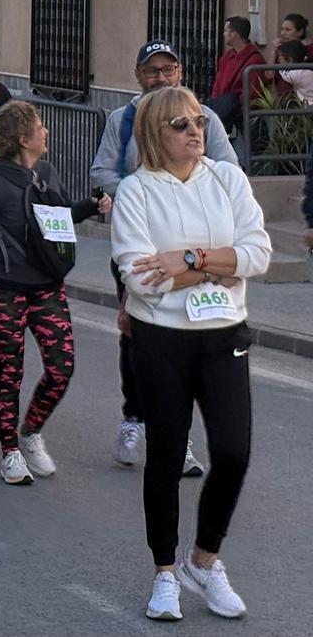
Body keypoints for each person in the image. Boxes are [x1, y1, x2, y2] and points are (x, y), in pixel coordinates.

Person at [110, 85, 271, 622]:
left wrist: (187, 260)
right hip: (161, 339)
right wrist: (214, 266)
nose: (194, 131)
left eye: (198, 120)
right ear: (156, 132)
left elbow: (258, 254)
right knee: (166, 456)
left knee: (232, 452)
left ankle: (204, 561)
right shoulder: (136, 191)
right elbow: (141, 276)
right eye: (180, 124)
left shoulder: (227, 178)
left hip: (224, 332)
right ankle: (164, 572)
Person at [90, 39, 234, 474]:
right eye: (152, 71)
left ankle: (177, 436)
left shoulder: (203, 119)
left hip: (192, 247)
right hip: (139, 246)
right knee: (139, 334)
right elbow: (102, 171)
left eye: (168, 70)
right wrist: (138, 197)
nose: (160, 78)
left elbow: (229, 169)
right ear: (138, 76)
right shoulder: (124, 119)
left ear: (181, 72)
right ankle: (135, 417)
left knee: (190, 336)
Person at [0, 101, 111, 484]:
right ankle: (9, 452)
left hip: (46, 286)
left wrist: (90, 207)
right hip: (2, 289)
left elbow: (55, 218)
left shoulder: (46, 172)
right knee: (10, 372)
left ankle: (30, 434)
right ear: (23, 138)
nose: (46, 132)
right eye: (40, 127)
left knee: (61, 369)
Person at [208, 16, 265, 131]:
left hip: (240, 116)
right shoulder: (227, 57)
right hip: (224, 110)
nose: (224, 34)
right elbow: (218, 83)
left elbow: (251, 91)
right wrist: (217, 104)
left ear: (234, 34)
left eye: (226, 30)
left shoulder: (255, 59)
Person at [276, 38, 313, 105]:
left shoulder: (296, 74)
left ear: (290, 60)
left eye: (280, 57)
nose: (278, 60)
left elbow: (285, 76)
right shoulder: (306, 69)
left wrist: (279, 68)